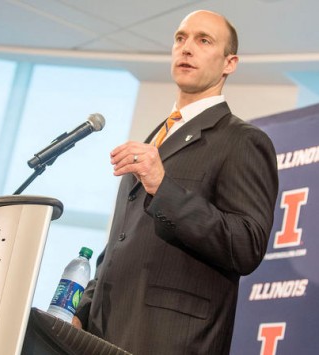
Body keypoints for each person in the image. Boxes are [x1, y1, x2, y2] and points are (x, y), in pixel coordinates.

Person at [72, 10, 279, 355]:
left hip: (172, 340)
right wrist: (83, 310)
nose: (186, 48)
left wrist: (163, 187)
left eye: (203, 40)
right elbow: (124, 241)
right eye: (180, 38)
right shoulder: (156, 137)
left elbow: (246, 245)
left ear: (230, 63)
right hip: (104, 334)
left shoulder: (242, 140)